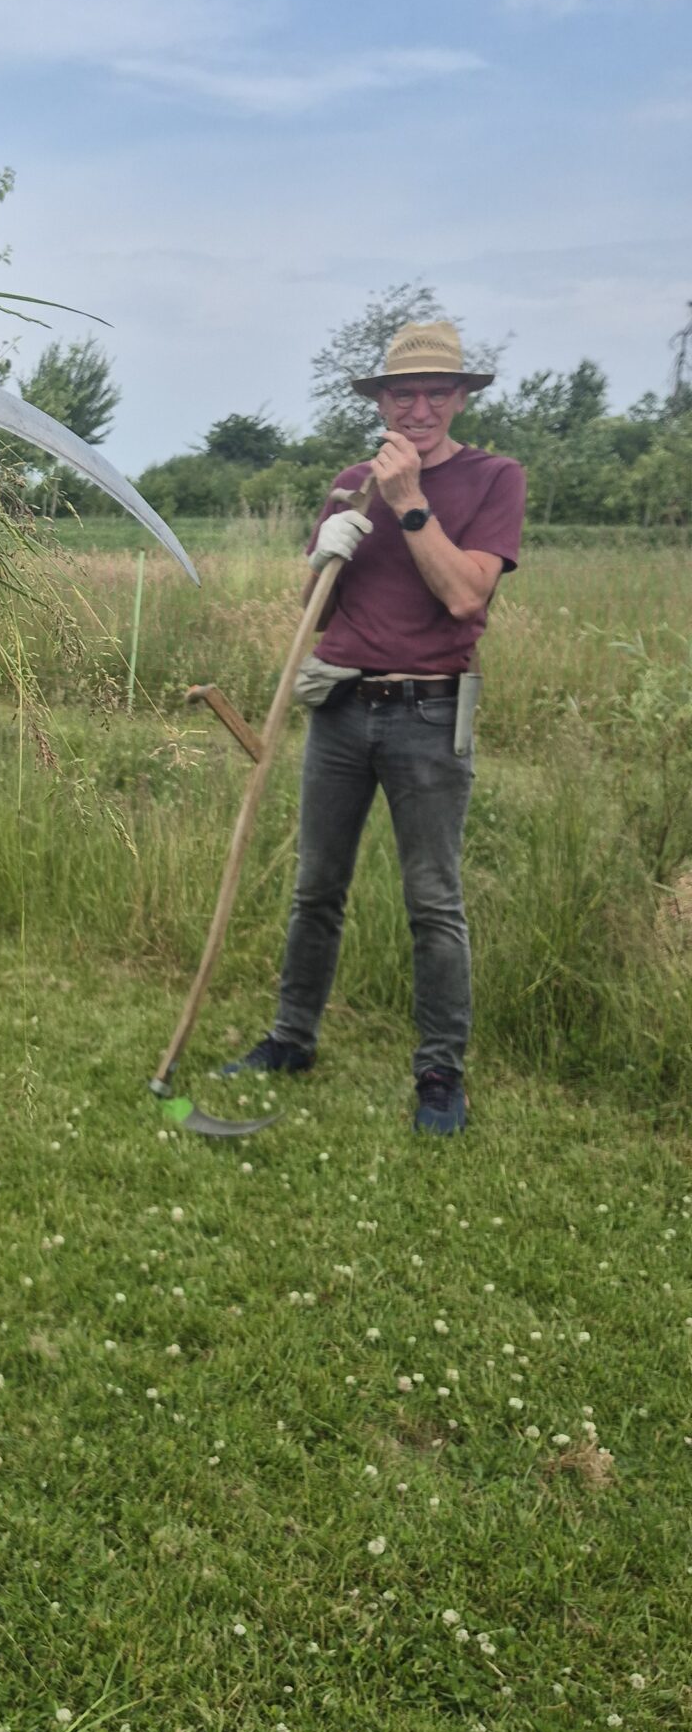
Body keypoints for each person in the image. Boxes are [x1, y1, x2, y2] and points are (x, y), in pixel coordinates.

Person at [224, 320, 525, 1134]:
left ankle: (440, 1075)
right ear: (382, 400)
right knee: (316, 889)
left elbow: (467, 597)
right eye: (403, 392)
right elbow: (310, 616)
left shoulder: (495, 480)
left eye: (436, 392)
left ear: (460, 398)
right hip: (342, 708)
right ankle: (291, 1038)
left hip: (430, 713)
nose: (419, 407)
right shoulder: (351, 481)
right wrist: (324, 554)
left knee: (432, 900)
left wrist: (410, 506)